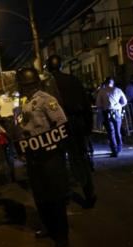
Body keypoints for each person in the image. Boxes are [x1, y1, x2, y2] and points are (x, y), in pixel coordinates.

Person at [14, 67, 70, 247]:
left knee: (55, 195)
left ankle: (61, 235)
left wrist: (55, 147)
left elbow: (61, 124)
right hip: (34, 156)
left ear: (34, 84)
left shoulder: (47, 100)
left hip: (50, 155)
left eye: (26, 85)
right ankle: (48, 227)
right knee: (40, 195)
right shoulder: (23, 103)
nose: (24, 88)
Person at [46, 54, 97, 208]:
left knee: (59, 161)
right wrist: (88, 125)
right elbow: (85, 103)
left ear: (49, 67)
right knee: (79, 159)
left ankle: (64, 195)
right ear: (60, 65)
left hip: (58, 126)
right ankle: (89, 194)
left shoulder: (47, 84)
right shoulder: (73, 80)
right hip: (76, 123)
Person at [96, 76, 128, 157]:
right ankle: (119, 147)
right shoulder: (117, 90)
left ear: (106, 83)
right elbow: (125, 101)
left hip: (107, 113)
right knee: (117, 131)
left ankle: (114, 150)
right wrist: (119, 105)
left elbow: (98, 104)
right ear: (112, 83)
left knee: (111, 132)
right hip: (117, 112)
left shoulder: (101, 91)